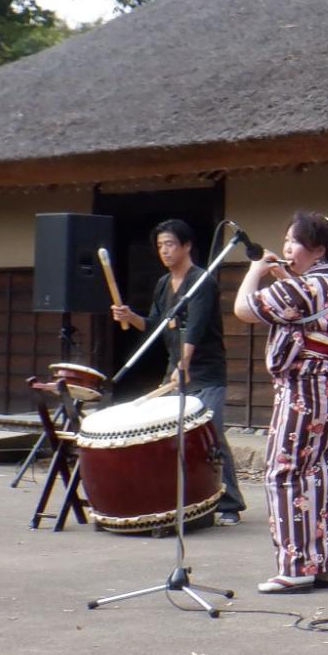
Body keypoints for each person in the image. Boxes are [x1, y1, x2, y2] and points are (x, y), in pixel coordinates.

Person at [233, 211, 328, 594]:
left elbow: (245, 309)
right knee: (325, 472)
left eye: (294, 241)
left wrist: (255, 271)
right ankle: (323, 564)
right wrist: (284, 275)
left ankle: (294, 566)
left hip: (304, 390)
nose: (288, 248)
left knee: (285, 472)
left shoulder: (302, 290)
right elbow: (310, 310)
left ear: (318, 248)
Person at [110, 218, 244, 523]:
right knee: (169, 435)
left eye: (170, 244)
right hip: (176, 371)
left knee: (209, 435)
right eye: (160, 246)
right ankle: (188, 498)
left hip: (205, 373)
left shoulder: (202, 281)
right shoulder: (162, 285)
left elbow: (194, 328)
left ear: (186, 245)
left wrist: (184, 363)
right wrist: (130, 316)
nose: (164, 251)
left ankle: (230, 502)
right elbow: (157, 327)